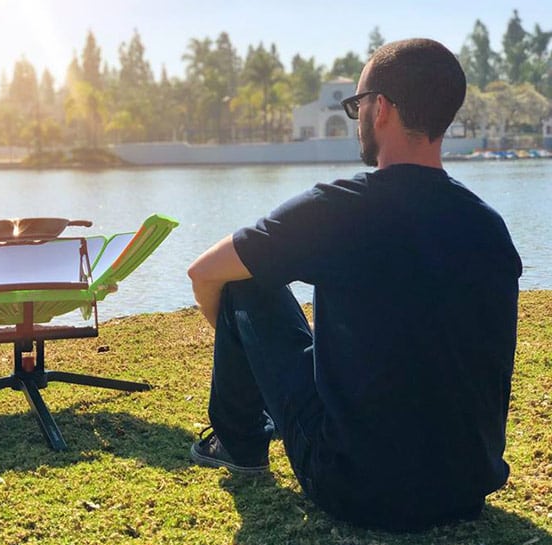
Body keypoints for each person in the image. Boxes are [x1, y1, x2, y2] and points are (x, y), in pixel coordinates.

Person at [186, 38, 522, 532]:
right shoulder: (489, 226)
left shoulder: (338, 208)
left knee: (245, 282)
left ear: (381, 108)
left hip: (358, 488)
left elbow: (203, 273)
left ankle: (239, 443)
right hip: (468, 484)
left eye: (357, 105)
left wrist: (251, 356)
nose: (357, 117)